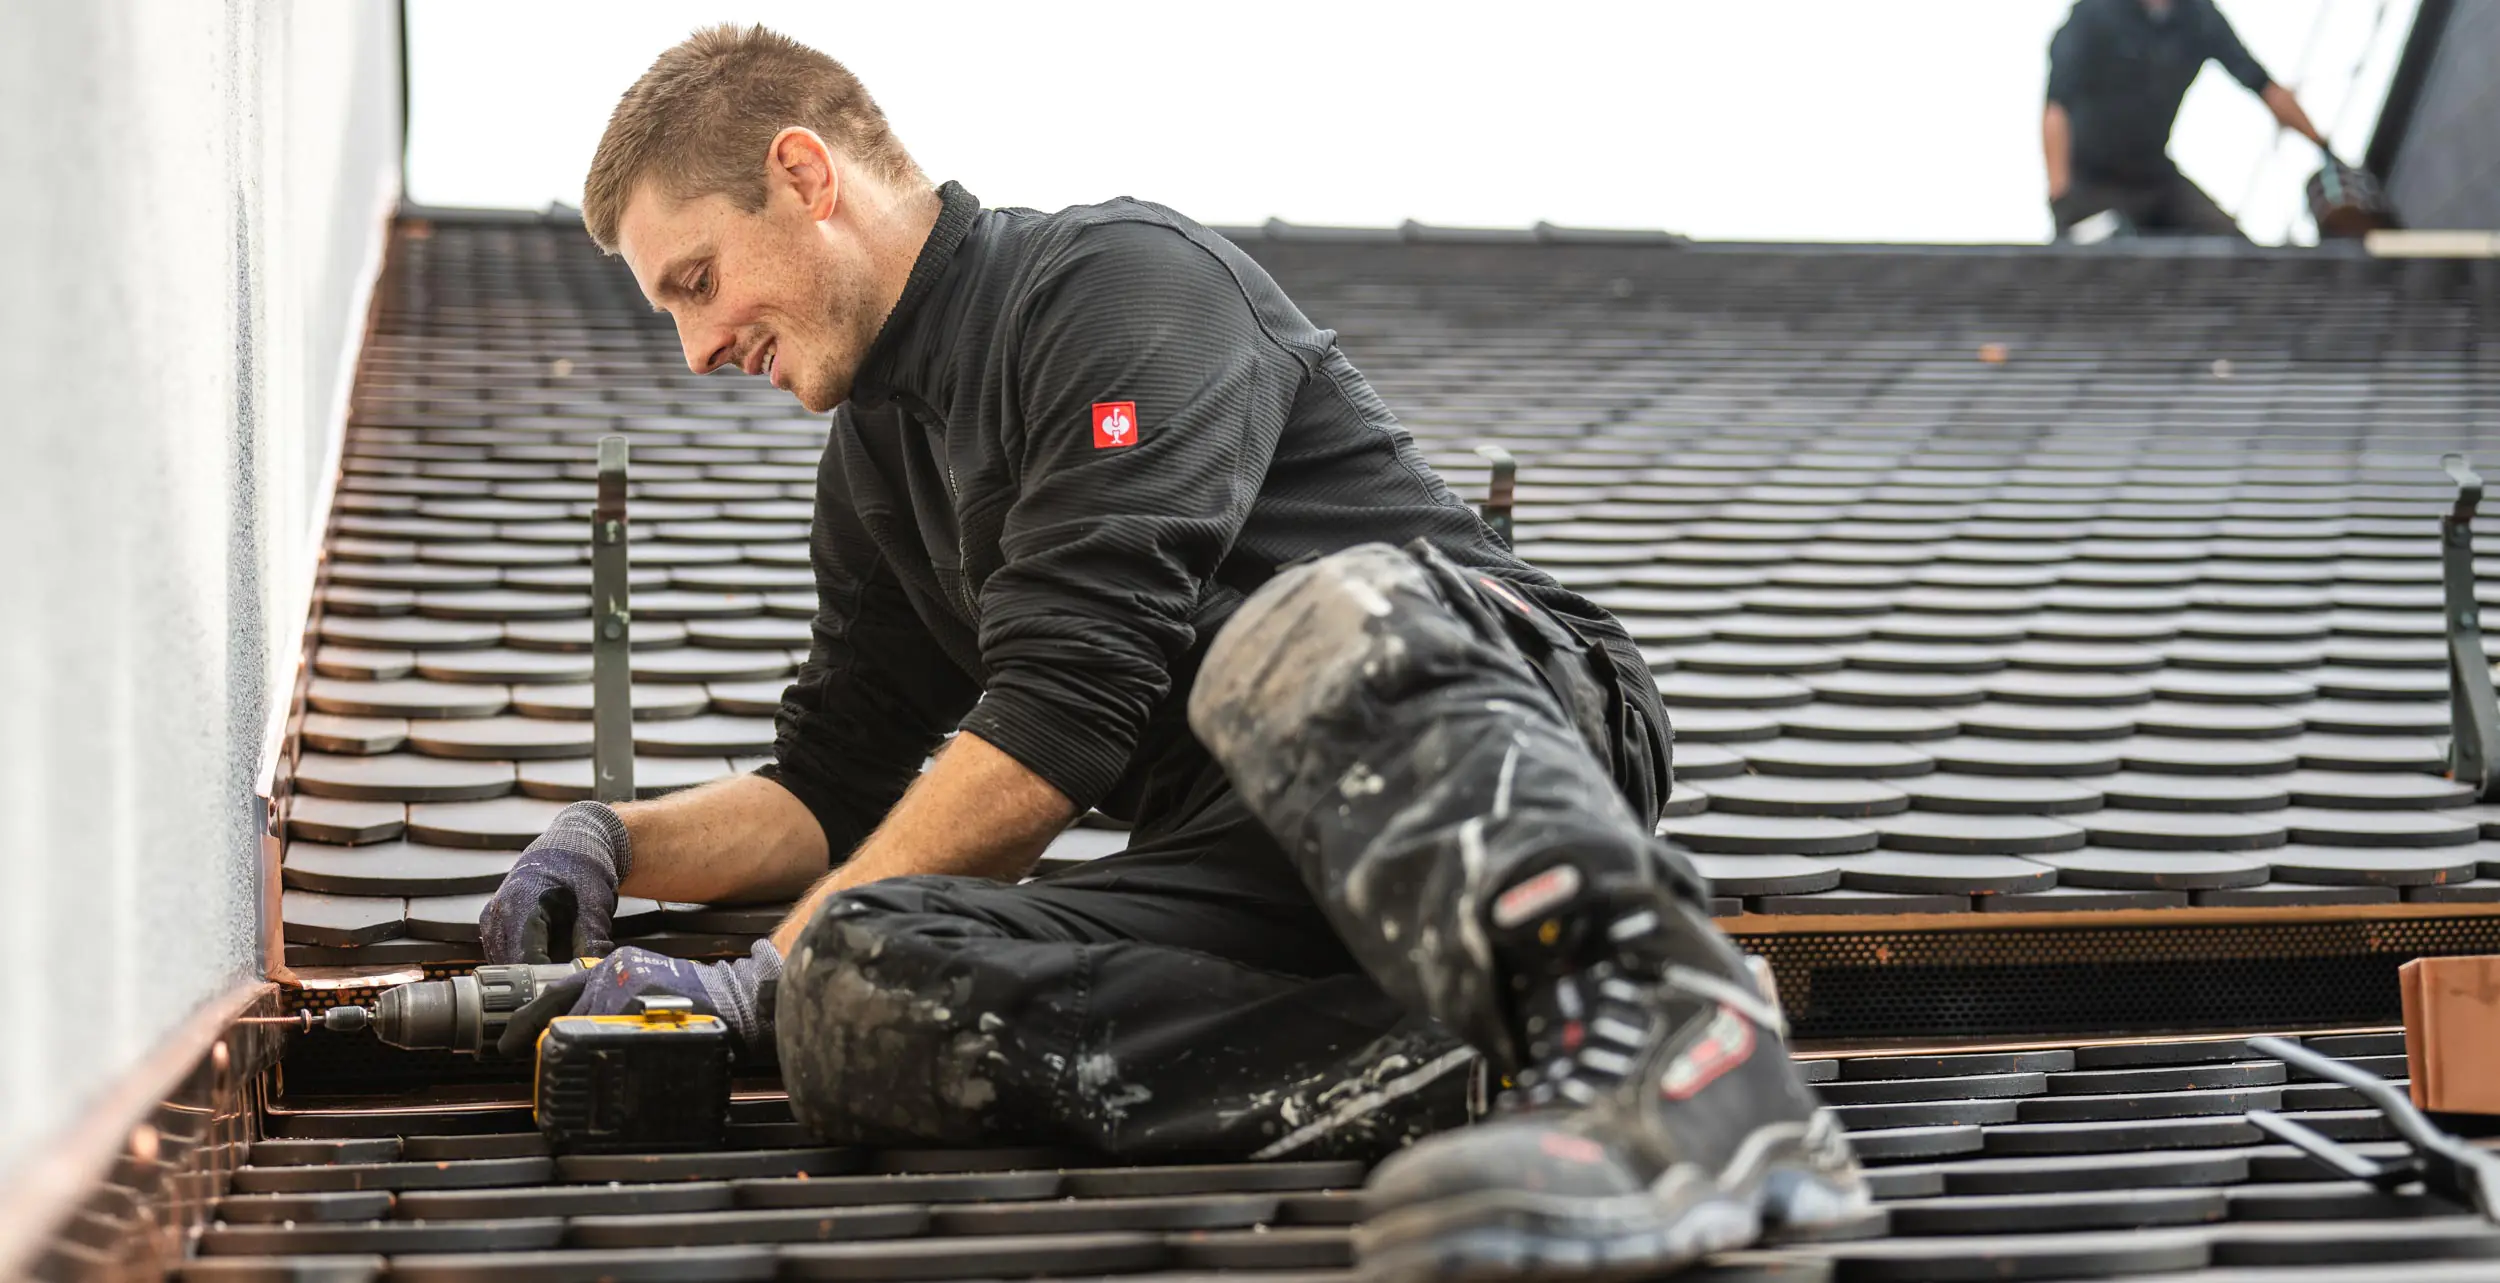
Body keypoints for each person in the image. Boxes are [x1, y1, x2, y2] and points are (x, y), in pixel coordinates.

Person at [480, 24, 1864, 1279]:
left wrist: (742, 981)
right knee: (851, 988)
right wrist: (611, 839)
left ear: (804, 173)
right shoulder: (876, 467)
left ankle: (1680, 1039)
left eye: (698, 281)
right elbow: (835, 786)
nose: (699, 345)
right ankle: (1469, 1068)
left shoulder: (1111, 284)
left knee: (1295, 635)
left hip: (1487, 714)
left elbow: (1061, 718)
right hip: (1250, 862)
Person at [2045, 0, 2330, 238]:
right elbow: (2056, 108)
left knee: (2233, 249)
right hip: (2093, 185)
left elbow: (2265, 87)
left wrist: (2324, 147)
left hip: (2156, 178)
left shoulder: (2198, 17)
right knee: (2107, 265)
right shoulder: (2094, 13)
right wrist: (2061, 197)